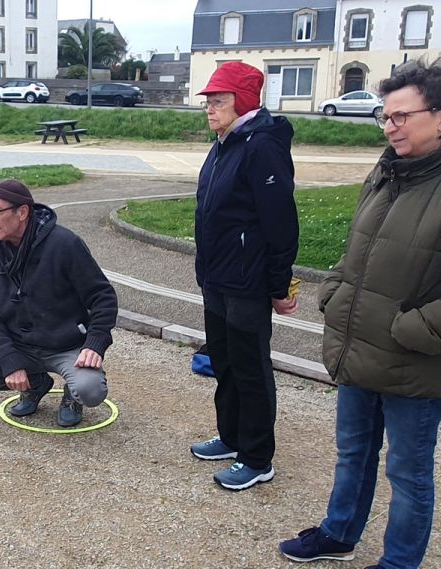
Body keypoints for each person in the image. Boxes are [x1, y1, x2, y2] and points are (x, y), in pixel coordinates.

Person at [278, 57, 441, 569]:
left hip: (414, 359)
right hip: (359, 348)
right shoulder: (388, 172)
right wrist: (336, 294)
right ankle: (339, 533)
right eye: (385, 117)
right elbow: (357, 251)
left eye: (401, 117)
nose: (390, 127)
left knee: (408, 475)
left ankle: (399, 562)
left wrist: (409, 330)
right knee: (353, 456)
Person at [189, 61, 299, 491]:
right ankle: (232, 436)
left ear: (244, 101)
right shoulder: (224, 142)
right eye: (209, 102)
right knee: (224, 360)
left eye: (219, 101)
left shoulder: (261, 146)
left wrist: (278, 283)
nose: (210, 109)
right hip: (216, 276)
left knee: (251, 366)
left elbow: (280, 222)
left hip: (247, 279)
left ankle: (257, 457)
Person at [0, 179, 118, 427]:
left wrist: (94, 344)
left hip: (66, 346)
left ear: (22, 212)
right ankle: (36, 382)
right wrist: (10, 362)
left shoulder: (65, 245)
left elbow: (103, 296)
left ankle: (72, 396)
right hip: (21, 346)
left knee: (90, 391)